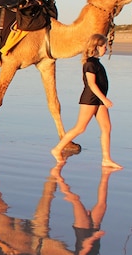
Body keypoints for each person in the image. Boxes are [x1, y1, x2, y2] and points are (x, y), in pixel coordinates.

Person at [51, 34, 121, 168]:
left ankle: (106, 159)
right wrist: (104, 99)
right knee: (80, 127)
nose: (106, 49)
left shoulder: (96, 62)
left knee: (106, 128)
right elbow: (92, 84)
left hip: (98, 100)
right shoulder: (89, 63)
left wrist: (102, 100)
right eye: (104, 46)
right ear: (97, 47)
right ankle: (57, 149)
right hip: (90, 99)